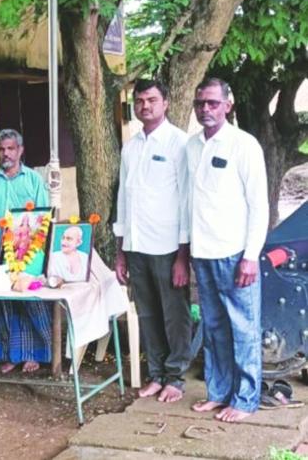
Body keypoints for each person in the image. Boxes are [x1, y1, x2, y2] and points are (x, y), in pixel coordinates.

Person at [188, 77, 269, 423]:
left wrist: (251, 255)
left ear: (227, 105)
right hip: (202, 253)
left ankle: (246, 400)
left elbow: (259, 205)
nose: (205, 109)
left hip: (235, 254)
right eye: (200, 103)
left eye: (212, 103)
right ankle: (218, 393)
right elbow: (189, 202)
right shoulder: (192, 146)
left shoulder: (243, 145)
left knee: (244, 329)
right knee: (215, 327)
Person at [113, 77, 192, 403]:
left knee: (174, 314)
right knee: (147, 314)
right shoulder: (131, 146)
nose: (145, 106)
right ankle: (157, 374)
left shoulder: (179, 143)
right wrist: (120, 252)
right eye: (140, 101)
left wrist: (183, 256)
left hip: (167, 247)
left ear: (166, 103)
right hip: (136, 245)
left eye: (152, 100)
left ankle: (176, 377)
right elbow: (123, 199)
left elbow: (186, 201)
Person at [0, 128, 50, 374]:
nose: (6, 154)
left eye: (11, 148)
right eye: (1, 149)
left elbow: (44, 215)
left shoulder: (33, 179)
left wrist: (36, 249)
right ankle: (11, 355)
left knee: (31, 301)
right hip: (1, 251)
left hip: (29, 250)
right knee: (4, 302)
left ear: (20, 150)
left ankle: (35, 354)